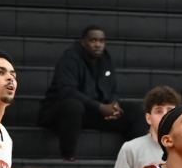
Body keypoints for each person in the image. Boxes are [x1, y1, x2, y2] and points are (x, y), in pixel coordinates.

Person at [39, 26, 124, 160]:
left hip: (93, 113)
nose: (98, 45)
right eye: (93, 40)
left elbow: (114, 89)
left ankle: (135, 162)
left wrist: (114, 105)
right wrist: (100, 107)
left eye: (101, 41)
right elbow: (67, 91)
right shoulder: (70, 58)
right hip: (61, 112)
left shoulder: (107, 60)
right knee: (74, 106)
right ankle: (67, 157)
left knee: (135, 111)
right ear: (83, 42)